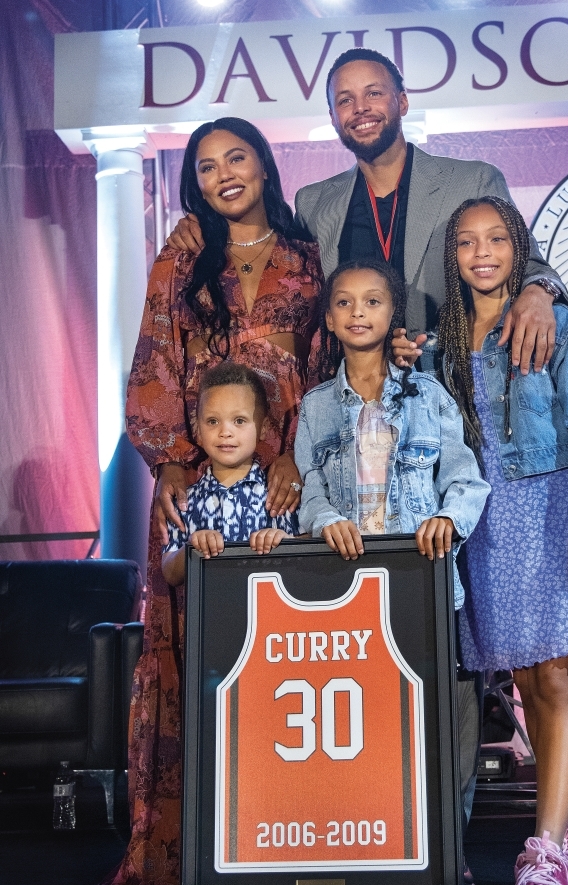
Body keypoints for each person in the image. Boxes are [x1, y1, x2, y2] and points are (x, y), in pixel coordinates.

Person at [113, 117, 322, 885]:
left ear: (265, 165)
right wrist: (169, 464)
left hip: (285, 489)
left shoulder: (307, 256)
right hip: (195, 486)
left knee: (285, 652)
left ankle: (285, 841)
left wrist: (301, 457)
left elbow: (325, 364)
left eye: (236, 157)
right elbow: (154, 356)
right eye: (205, 166)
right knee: (191, 662)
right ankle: (192, 855)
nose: (223, 174)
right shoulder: (184, 252)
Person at [255, 258, 491, 869]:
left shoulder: (430, 396)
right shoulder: (314, 408)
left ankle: (447, 856)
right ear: (329, 320)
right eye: (344, 303)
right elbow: (308, 487)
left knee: (445, 729)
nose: (358, 312)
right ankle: (375, 853)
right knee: (369, 730)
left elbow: (466, 479)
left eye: (373, 301)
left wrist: (449, 520)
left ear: (393, 316)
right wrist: (323, 519)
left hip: (424, 588)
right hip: (348, 600)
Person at [168, 48, 568, 378]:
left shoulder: (472, 181)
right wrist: (204, 222)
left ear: (403, 101)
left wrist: (539, 292)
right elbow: (267, 251)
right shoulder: (314, 204)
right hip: (362, 411)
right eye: (345, 100)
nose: (360, 108)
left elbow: (532, 264)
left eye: (373, 93)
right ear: (332, 117)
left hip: (461, 395)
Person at [439, 196, 568, 885]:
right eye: (466, 242)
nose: (482, 253)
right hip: (488, 524)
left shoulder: (557, 324)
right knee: (527, 681)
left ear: (520, 249)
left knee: (557, 674)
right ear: (452, 257)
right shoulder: (445, 345)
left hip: (551, 511)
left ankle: (545, 846)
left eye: (496, 239)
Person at [161, 363, 297, 588]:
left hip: (269, 618)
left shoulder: (278, 494)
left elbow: (310, 547)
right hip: (209, 619)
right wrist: (191, 549)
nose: (225, 432)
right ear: (198, 431)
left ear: (262, 429)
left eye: (239, 421)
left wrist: (286, 542)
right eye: (213, 421)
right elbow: (169, 571)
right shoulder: (185, 501)